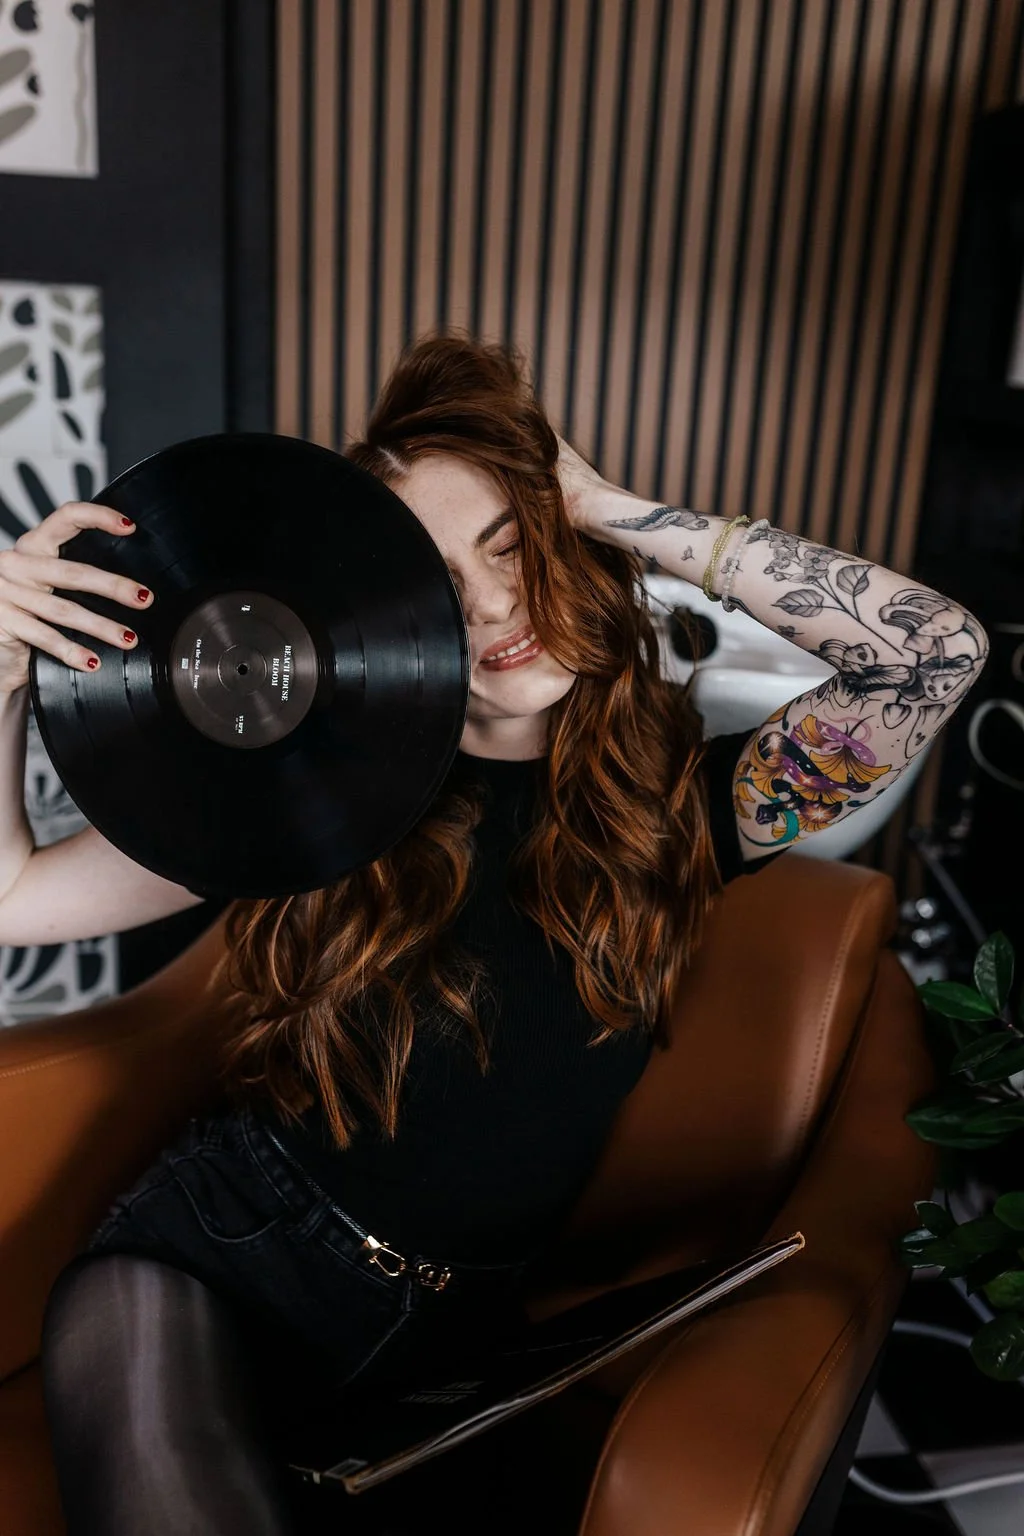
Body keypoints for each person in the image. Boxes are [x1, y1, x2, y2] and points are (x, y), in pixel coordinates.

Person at [0, 332, 987, 1534]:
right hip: (216, 1262)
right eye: (429, 578)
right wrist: (2, 678)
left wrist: (609, 508)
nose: (488, 603)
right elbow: (13, 898)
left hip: (461, 1346)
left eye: (511, 545)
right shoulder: (304, 783)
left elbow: (932, 653)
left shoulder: (684, 809)